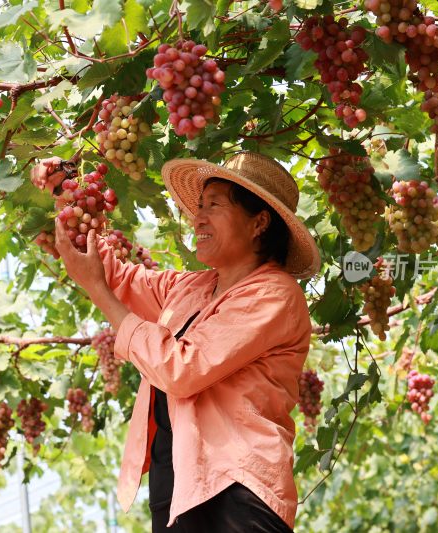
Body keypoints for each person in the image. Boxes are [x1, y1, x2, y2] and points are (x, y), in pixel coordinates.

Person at [53, 151, 321, 532]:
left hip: (237, 491)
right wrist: (63, 190)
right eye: (198, 206)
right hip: (178, 487)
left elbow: (181, 369)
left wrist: (97, 289)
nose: (198, 217)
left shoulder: (274, 294)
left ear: (259, 222)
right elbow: (114, 277)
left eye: (214, 205)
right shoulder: (191, 287)